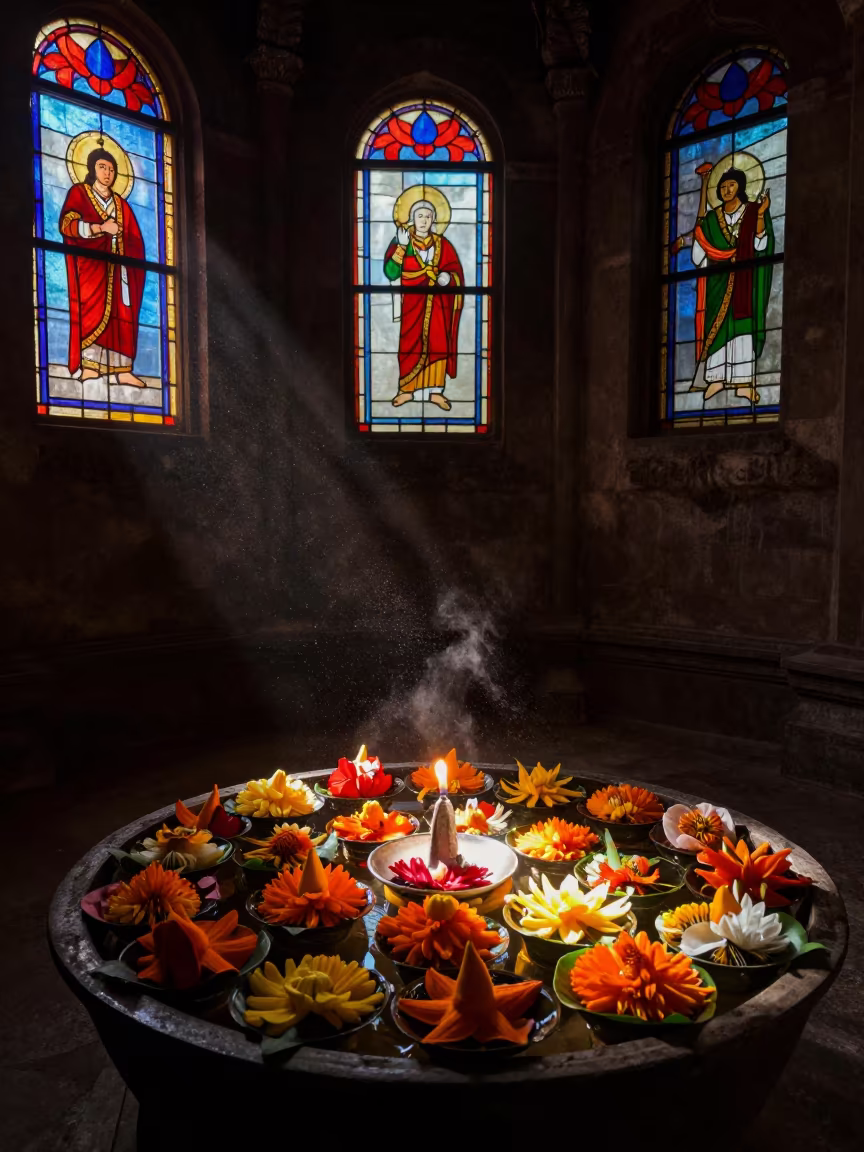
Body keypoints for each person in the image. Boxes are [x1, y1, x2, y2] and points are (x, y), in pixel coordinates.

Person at [678, 165, 774, 405]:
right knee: (718, 327)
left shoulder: (753, 211)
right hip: (717, 282)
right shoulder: (712, 219)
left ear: (740, 187)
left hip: (744, 280)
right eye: (722, 186)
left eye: (731, 185)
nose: (727, 189)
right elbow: (701, 247)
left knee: (742, 328)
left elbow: (762, 245)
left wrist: (761, 215)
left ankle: (743, 383)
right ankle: (716, 379)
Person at [59, 147, 146, 386]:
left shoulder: (122, 205)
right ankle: (89, 366)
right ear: (92, 169)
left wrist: (125, 246)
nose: (107, 173)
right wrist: (100, 229)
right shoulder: (79, 193)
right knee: (91, 312)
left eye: (112, 169)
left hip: (120, 272)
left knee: (122, 316)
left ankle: (123, 369)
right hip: (91, 268)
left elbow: (136, 240)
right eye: (102, 167)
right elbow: (67, 225)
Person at [383, 200, 464, 409]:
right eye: (420, 216)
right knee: (409, 344)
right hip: (412, 303)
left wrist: (448, 277)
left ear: (434, 220)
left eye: (428, 216)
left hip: (438, 304)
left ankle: (435, 392)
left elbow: (455, 270)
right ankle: (406, 390)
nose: (424, 220)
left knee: (438, 344)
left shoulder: (442, 244)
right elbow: (391, 272)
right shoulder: (402, 239)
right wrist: (401, 247)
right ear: (412, 218)